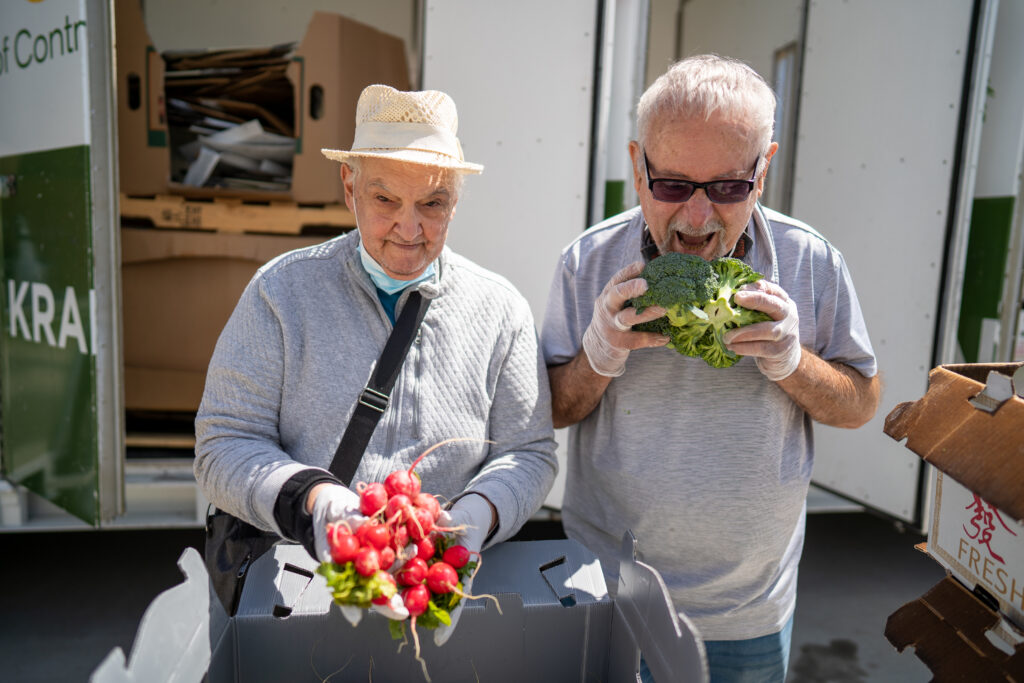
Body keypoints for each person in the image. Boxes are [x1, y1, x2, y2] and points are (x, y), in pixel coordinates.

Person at [541, 55, 880, 682]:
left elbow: (860, 403)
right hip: (606, 587)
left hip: (747, 607)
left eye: (727, 188)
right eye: (672, 185)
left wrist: (791, 361)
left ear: (764, 169)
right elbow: (551, 411)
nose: (697, 220)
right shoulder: (586, 262)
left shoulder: (812, 263)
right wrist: (600, 354)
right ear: (638, 166)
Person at [195, 84, 558, 641]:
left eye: (433, 204)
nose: (409, 230)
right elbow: (222, 444)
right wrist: (316, 503)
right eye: (385, 200)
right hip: (299, 595)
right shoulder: (281, 292)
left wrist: (476, 516)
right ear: (350, 188)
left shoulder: (501, 309)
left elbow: (528, 453)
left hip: (435, 586)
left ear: (456, 201)